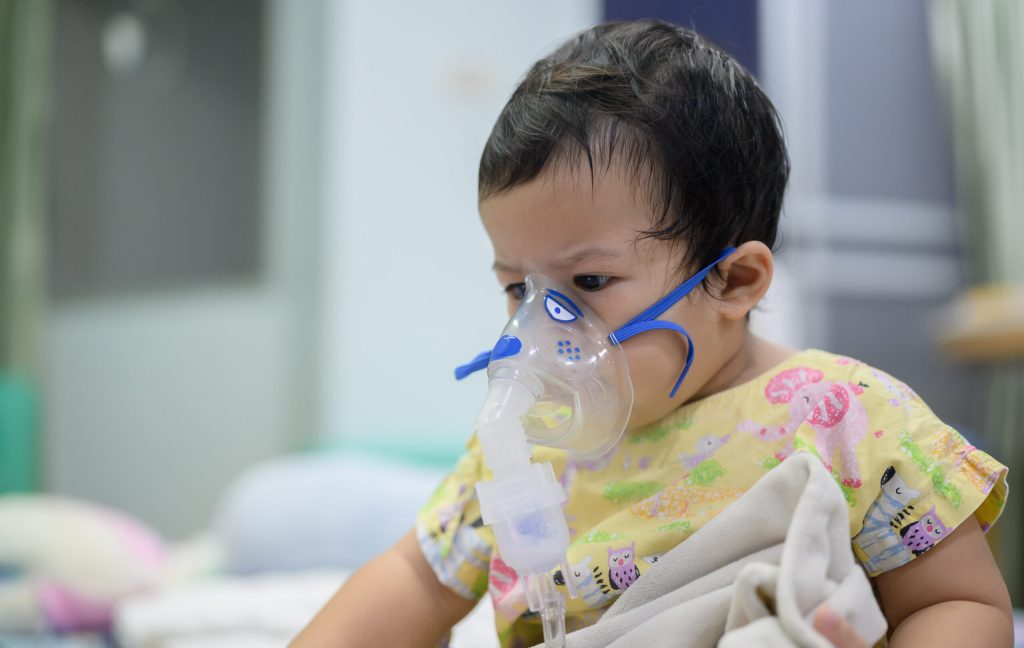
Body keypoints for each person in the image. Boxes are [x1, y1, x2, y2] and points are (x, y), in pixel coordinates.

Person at [292, 20, 1011, 648]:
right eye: (518, 288)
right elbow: (418, 577)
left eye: (589, 282)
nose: (539, 328)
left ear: (733, 281)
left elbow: (958, 603)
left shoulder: (842, 418)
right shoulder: (525, 448)